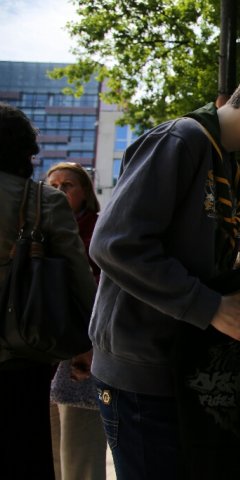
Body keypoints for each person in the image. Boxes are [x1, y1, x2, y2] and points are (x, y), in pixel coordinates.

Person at [88, 44, 240, 479]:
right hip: (139, 376)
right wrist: (212, 307)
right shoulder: (182, 140)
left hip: (181, 373)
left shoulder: (231, 178)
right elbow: (113, 244)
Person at [0, 104, 96, 479]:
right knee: (27, 449)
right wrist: (87, 345)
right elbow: (79, 279)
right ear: (26, 152)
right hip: (24, 350)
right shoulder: (44, 201)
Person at [46, 162, 107, 480]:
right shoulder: (33, 229)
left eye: (67, 185)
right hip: (40, 350)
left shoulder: (100, 230)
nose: (58, 191)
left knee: (80, 453)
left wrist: (90, 346)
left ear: (85, 192)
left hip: (83, 351)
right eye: (52, 185)